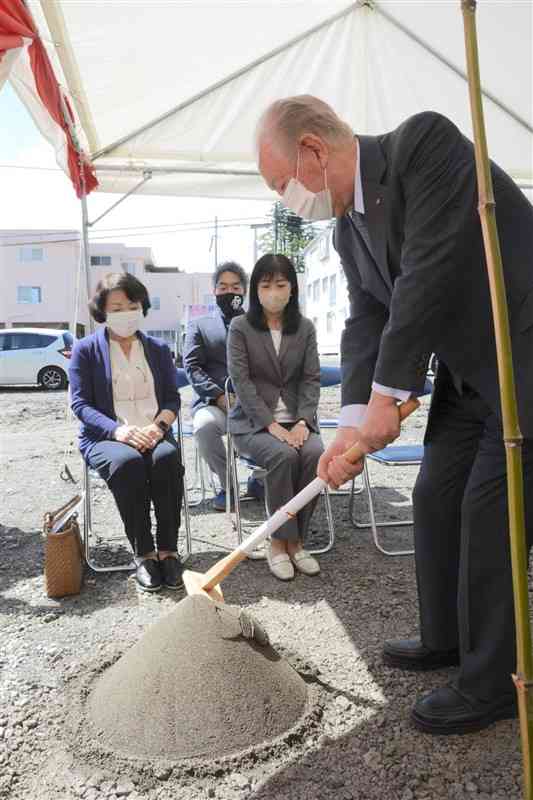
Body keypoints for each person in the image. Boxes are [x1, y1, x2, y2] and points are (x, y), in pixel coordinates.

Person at [256, 95, 533, 734]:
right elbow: (367, 318)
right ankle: (447, 637)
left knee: (487, 512)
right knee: (435, 494)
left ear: (313, 151)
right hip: (468, 375)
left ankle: (494, 680)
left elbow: (428, 274)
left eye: (281, 183)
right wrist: (352, 420)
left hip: (520, 359)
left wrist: (388, 398)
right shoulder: (348, 227)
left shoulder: (423, 145)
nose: (284, 199)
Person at [69, 272, 185, 592]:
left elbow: (173, 399)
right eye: (116, 307)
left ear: (142, 306)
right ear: (103, 311)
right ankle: (144, 554)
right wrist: (118, 431)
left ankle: (168, 551)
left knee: (167, 459)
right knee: (128, 464)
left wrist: (158, 427)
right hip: (106, 437)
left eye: (131, 305)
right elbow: (80, 404)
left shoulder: (159, 349)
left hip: (154, 431)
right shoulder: (85, 350)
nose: (125, 313)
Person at [227, 253, 323, 581]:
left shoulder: (305, 328)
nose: (274, 292)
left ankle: (297, 541)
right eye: (266, 285)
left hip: (296, 420)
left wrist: (301, 422)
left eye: (281, 284)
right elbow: (241, 382)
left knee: (314, 454)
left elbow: (311, 379)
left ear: (292, 288)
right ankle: (277, 543)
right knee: (282, 456)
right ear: (255, 290)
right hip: (254, 424)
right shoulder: (240, 327)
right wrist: (271, 425)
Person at [183, 261, 263, 511]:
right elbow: (192, 367)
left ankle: (259, 480)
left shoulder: (259, 324)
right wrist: (219, 396)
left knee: (276, 421)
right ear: (214, 291)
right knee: (204, 427)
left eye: (235, 286)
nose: (229, 292)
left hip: (254, 403)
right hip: (214, 403)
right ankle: (227, 486)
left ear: (244, 291)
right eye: (223, 286)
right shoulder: (199, 324)